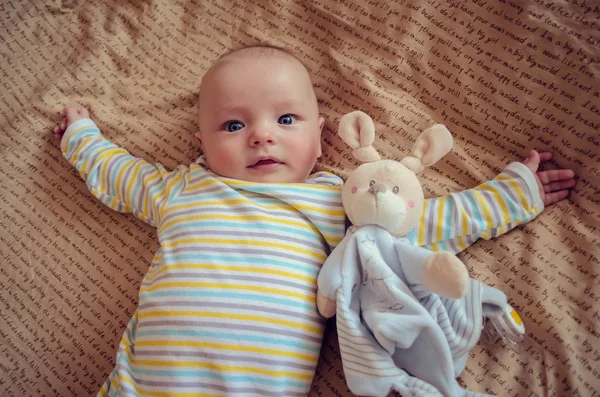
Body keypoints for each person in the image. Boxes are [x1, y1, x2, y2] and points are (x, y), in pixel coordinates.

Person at [53, 45, 576, 397]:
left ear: (321, 137)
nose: (261, 136)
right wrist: (82, 137)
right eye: (234, 124)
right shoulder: (183, 188)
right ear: (203, 145)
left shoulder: (337, 200)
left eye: (285, 120)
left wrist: (514, 194)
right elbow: (119, 175)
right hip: (139, 384)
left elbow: (426, 219)